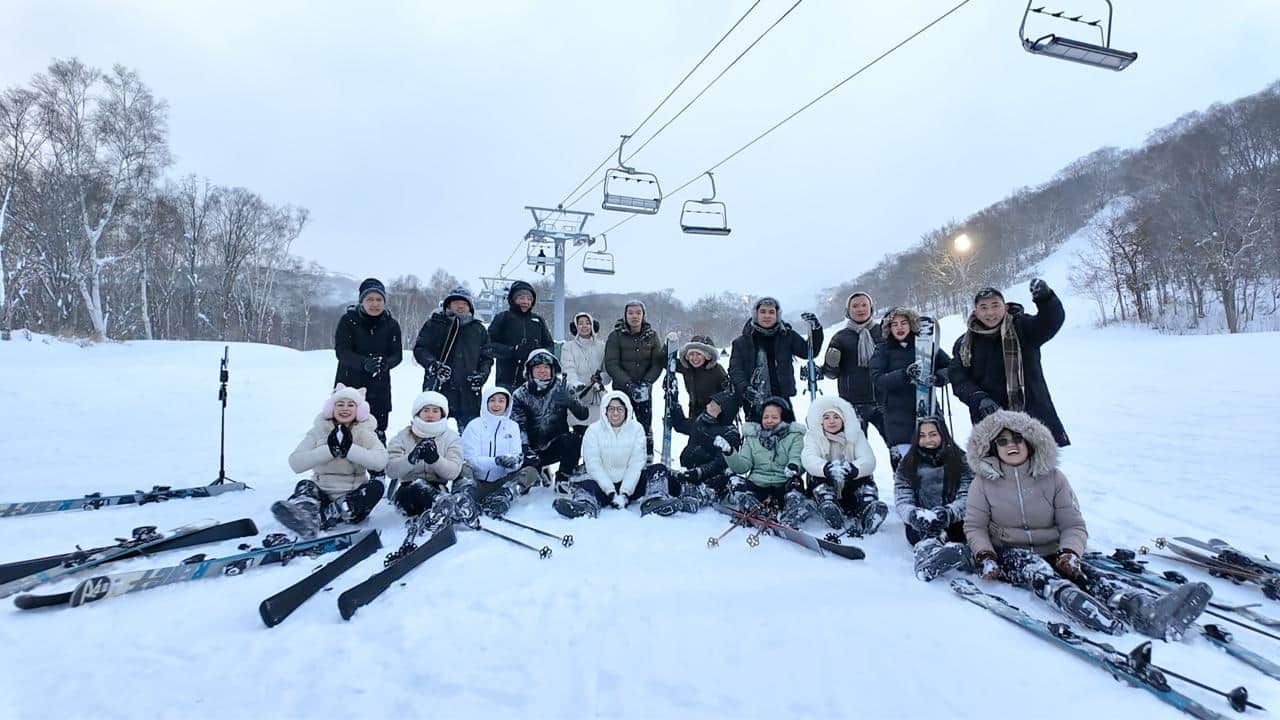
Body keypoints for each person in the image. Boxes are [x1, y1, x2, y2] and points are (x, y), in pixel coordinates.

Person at [964, 410, 1211, 638]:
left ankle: (1143, 610)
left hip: (1052, 549)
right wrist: (986, 555)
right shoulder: (983, 483)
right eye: (1002, 441)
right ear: (993, 448)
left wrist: (1071, 552)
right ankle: (1071, 600)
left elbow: (1073, 524)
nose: (1011, 445)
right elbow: (975, 526)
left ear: (1030, 442)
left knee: (1088, 574)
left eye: (1018, 438)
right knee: (1034, 569)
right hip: (1009, 553)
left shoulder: (1054, 478)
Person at [950, 280, 1070, 447]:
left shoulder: (1023, 328)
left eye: (995, 306)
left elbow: (1049, 322)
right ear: (975, 312)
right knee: (995, 470)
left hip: (1032, 418)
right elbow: (958, 378)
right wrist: (978, 398)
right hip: (989, 421)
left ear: (1005, 307)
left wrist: (1046, 298)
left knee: (1039, 470)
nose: (990, 312)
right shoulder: (963, 344)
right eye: (983, 308)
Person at [275, 384, 388, 538]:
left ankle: (332, 514)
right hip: (323, 494)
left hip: (352, 497)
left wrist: (350, 450)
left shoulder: (365, 432)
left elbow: (380, 461)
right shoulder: (319, 431)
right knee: (304, 486)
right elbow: (295, 462)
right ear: (331, 408)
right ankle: (305, 516)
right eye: (339, 404)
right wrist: (329, 450)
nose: (345, 408)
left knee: (376, 486)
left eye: (351, 405)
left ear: (359, 410)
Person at [893, 417, 973, 581]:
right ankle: (929, 559)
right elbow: (902, 498)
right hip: (921, 522)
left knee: (966, 535)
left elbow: (968, 495)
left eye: (933, 434)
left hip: (955, 522)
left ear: (943, 435)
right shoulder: (907, 463)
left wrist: (949, 513)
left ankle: (960, 555)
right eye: (922, 435)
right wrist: (913, 514)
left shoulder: (961, 460)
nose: (928, 440)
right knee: (925, 537)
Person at [870, 307, 951, 469]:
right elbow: (877, 379)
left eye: (904, 323)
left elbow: (950, 368)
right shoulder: (883, 350)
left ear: (911, 324)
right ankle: (906, 492)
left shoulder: (926, 345)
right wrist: (904, 375)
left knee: (938, 462)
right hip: (897, 415)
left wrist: (937, 378)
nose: (899, 328)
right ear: (888, 328)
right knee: (906, 467)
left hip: (928, 411)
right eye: (895, 324)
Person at [553, 391, 647, 519]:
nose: (615, 413)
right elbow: (593, 464)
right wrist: (610, 492)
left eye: (620, 409)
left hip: (631, 485)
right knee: (585, 482)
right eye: (611, 409)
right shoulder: (593, 430)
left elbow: (636, 463)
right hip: (601, 486)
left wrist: (625, 492)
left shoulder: (637, 429)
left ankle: (655, 500)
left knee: (657, 470)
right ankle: (585, 505)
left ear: (627, 410)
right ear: (605, 410)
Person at [728, 297, 822, 422]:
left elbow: (809, 352)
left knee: (789, 437)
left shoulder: (787, 336)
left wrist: (816, 330)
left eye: (771, 312)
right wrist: (745, 389)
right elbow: (735, 370)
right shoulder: (742, 342)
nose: (767, 316)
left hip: (782, 399)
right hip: (754, 401)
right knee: (756, 440)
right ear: (756, 314)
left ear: (777, 315)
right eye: (763, 312)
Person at [721, 396, 809, 527]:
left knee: (795, 484)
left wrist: (793, 467)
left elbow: (796, 457)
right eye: (766, 417)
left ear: (782, 418)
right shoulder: (752, 438)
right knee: (734, 481)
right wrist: (729, 453)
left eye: (774, 417)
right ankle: (751, 505)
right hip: (758, 485)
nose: (769, 421)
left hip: (782, 484)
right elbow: (742, 467)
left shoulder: (794, 436)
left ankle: (792, 512)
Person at [412, 286, 492, 432]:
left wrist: (481, 376)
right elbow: (420, 349)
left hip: (469, 393)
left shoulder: (479, 329)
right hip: (439, 388)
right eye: (456, 302)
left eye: (465, 303)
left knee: (470, 436)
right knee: (432, 433)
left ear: (471, 307)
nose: (461, 306)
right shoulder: (435, 323)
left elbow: (486, 358)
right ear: (448, 305)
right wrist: (433, 365)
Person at [799, 395, 881, 533]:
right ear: (820, 421)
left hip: (850, 483)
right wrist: (825, 468)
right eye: (826, 418)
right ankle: (829, 507)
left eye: (836, 417)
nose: (832, 421)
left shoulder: (856, 435)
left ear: (843, 419)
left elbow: (868, 459)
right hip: (828, 480)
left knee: (865, 482)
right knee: (818, 482)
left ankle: (869, 510)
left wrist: (854, 469)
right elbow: (808, 457)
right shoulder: (814, 436)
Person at [333, 278, 403, 439]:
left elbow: (397, 355)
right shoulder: (348, 320)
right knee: (345, 431)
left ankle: (376, 464)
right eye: (369, 299)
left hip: (379, 387)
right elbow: (342, 352)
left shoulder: (391, 324)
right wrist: (364, 363)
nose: (375, 304)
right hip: (349, 384)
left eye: (379, 299)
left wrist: (385, 364)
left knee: (377, 432)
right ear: (361, 301)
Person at [457, 386, 542, 517]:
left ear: (507, 404)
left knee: (531, 472)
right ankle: (466, 499)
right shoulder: (474, 425)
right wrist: (496, 461)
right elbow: (470, 459)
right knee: (463, 468)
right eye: (492, 400)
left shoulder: (512, 427)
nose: (496, 404)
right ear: (485, 402)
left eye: (501, 401)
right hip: (476, 482)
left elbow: (517, 456)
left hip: (501, 482)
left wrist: (512, 463)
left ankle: (503, 495)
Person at [386, 390, 469, 521]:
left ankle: (447, 507)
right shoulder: (403, 435)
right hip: (407, 488)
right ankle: (445, 508)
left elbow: (453, 472)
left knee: (434, 496)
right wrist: (411, 459)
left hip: (437, 487)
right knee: (413, 492)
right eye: (426, 410)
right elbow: (391, 470)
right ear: (418, 412)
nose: (430, 415)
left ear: (442, 414)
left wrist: (435, 460)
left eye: (435, 411)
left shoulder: (451, 437)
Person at [511, 349, 590, 485]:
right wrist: (526, 449)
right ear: (530, 370)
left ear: (553, 369)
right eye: (538, 367)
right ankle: (538, 471)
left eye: (546, 367)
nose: (542, 371)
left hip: (556, 444)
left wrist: (570, 401)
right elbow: (519, 426)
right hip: (530, 450)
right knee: (525, 483)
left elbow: (583, 415)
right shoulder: (520, 394)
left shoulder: (563, 387)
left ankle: (563, 477)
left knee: (574, 438)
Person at [821, 292, 887, 445]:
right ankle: (862, 470)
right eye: (855, 306)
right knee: (857, 450)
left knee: (896, 447)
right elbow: (831, 374)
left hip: (884, 401)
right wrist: (831, 364)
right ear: (848, 311)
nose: (860, 309)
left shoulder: (884, 332)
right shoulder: (840, 337)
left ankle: (901, 470)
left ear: (871, 308)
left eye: (864, 305)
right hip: (853, 404)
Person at [604, 300, 665, 461]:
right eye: (630, 313)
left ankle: (647, 456)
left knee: (645, 425)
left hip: (644, 389)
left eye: (638, 313)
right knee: (621, 425)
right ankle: (621, 457)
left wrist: (647, 383)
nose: (634, 316)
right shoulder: (615, 336)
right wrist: (629, 385)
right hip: (622, 390)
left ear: (643, 315)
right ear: (625, 315)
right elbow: (611, 363)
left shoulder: (651, 336)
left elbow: (657, 362)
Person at [665, 389, 742, 512]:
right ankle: (669, 495)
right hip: (690, 470)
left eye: (713, 405)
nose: (707, 406)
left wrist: (699, 472)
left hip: (711, 477)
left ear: (724, 410)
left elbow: (720, 463)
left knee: (715, 482)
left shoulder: (729, 433)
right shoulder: (702, 419)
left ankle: (699, 497)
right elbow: (682, 425)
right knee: (667, 476)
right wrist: (674, 405)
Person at [487, 280, 553, 390]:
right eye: (521, 298)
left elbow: (549, 345)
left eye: (529, 299)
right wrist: (512, 351)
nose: (526, 302)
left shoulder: (538, 320)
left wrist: (539, 356)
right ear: (513, 299)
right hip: (507, 380)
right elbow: (488, 346)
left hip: (535, 379)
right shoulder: (503, 318)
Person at [560, 311, 611, 444]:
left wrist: (601, 380)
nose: (584, 326)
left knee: (597, 437)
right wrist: (578, 385)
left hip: (597, 397)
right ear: (575, 326)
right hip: (577, 397)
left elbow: (607, 371)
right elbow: (568, 369)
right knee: (578, 435)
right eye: (580, 323)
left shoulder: (602, 346)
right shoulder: (568, 347)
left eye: (587, 323)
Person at [676, 335, 731, 419]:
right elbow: (663, 361)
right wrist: (667, 346)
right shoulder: (687, 368)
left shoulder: (717, 370)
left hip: (714, 416)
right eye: (691, 354)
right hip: (694, 413)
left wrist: (716, 403)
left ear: (707, 356)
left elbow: (729, 392)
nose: (694, 358)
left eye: (699, 354)